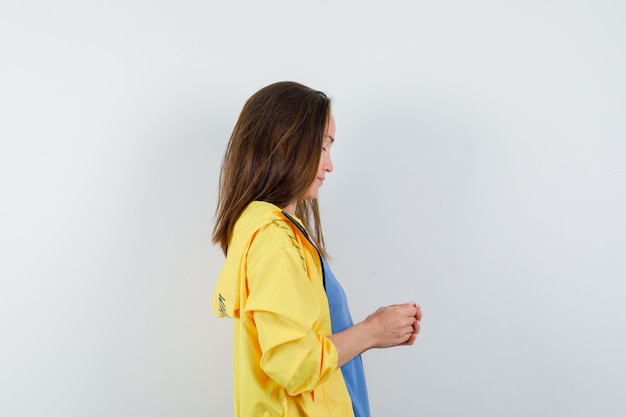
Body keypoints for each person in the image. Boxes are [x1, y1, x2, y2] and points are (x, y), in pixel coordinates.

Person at [212, 81, 422, 417]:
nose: (330, 165)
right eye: (323, 147)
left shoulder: (268, 232)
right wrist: (371, 332)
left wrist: (376, 329)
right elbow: (294, 365)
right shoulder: (274, 240)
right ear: (287, 147)